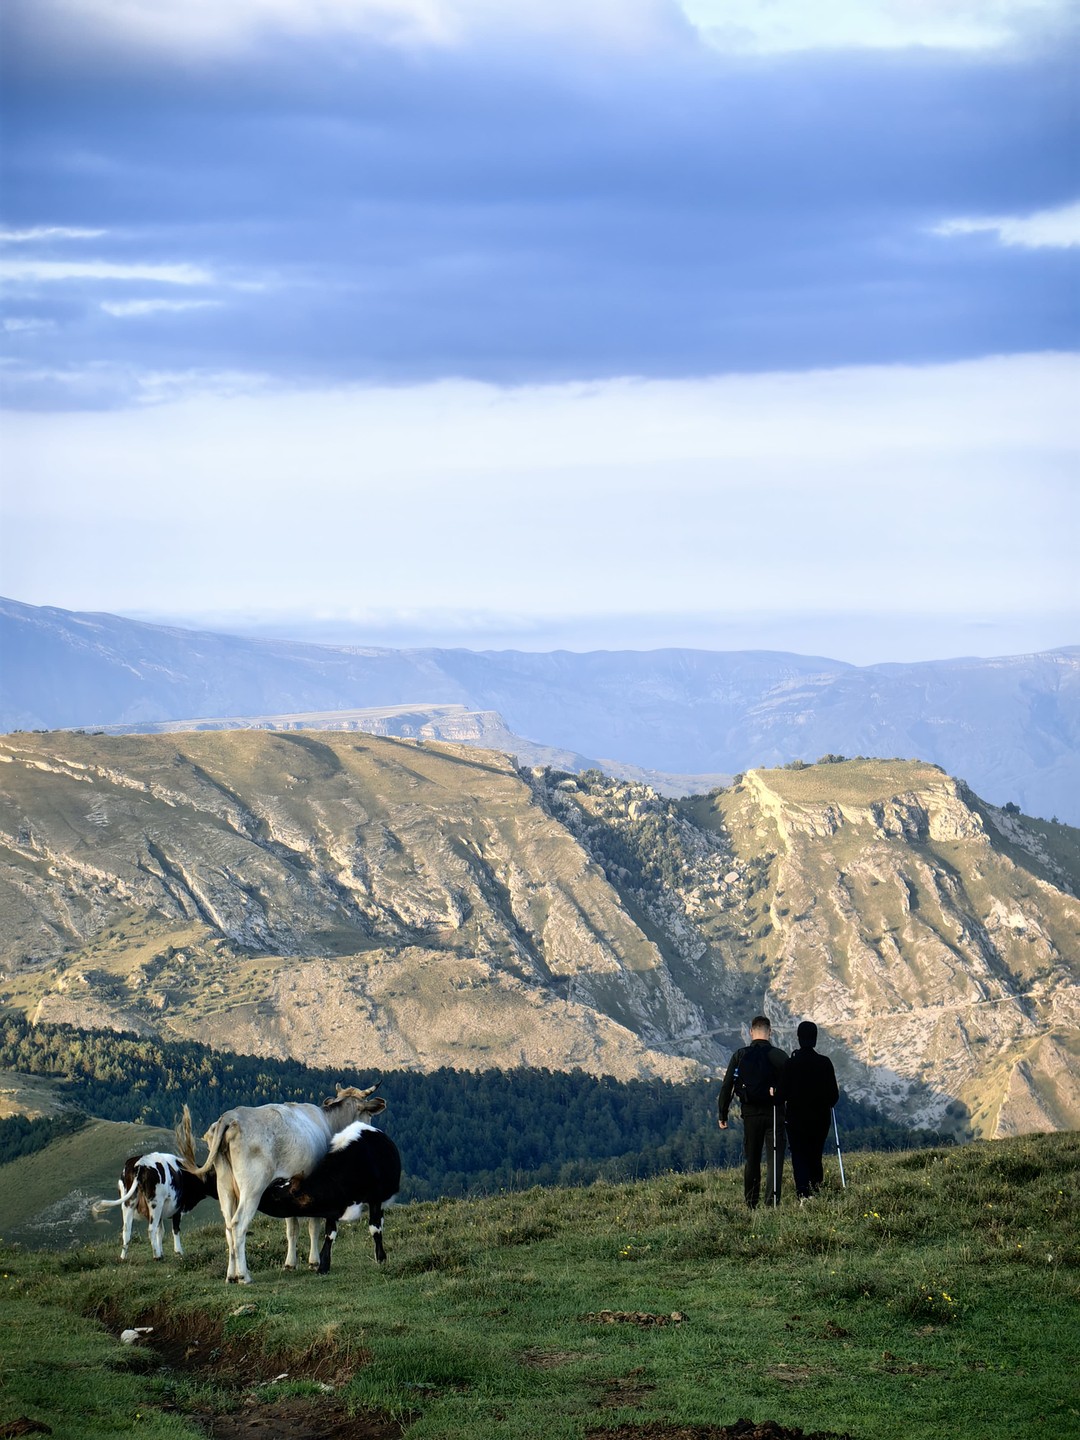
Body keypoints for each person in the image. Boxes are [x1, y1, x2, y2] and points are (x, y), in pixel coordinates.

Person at [717, 1015, 788, 1208]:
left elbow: (727, 1086)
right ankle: (771, 1202)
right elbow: (792, 1084)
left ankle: (751, 1203)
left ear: (750, 1032)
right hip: (775, 1114)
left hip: (750, 1114)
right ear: (770, 1032)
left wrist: (722, 1114)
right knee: (775, 1159)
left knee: (752, 1159)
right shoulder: (779, 1055)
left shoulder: (740, 1055)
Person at [778, 1020, 840, 1202]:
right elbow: (834, 1096)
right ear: (815, 1039)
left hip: (796, 1118)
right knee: (815, 1152)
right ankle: (816, 1186)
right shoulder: (824, 1063)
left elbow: (781, 1095)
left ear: (798, 1038)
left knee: (799, 1153)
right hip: (820, 1118)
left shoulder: (790, 1064)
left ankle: (803, 1192)